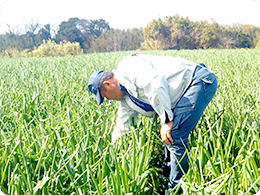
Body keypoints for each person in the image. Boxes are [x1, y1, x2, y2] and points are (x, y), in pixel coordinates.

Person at [87, 53, 217, 194]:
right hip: (181, 95)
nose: (109, 99)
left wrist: (166, 120)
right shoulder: (126, 99)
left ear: (107, 84)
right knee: (167, 136)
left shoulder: (129, 67)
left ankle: (175, 189)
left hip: (196, 81)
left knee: (175, 135)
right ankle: (167, 172)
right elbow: (122, 126)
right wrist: (112, 155)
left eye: (105, 96)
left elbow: (155, 83)